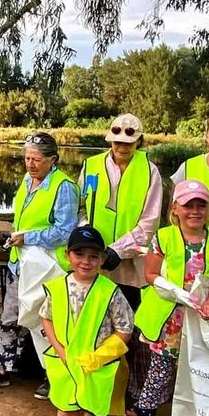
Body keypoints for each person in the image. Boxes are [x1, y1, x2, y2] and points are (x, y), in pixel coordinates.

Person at [129, 180, 209, 416]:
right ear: (175, 208)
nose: (194, 211)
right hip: (168, 326)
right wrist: (172, 290)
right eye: (188, 205)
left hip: (200, 325)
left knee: (198, 385)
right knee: (156, 383)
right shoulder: (163, 238)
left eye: (201, 205)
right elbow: (150, 273)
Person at [0, 132, 79, 398]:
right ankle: (4, 368)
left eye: (36, 160)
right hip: (20, 263)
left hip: (49, 267)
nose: (30, 164)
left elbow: (66, 231)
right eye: (27, 158)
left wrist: (28, 237)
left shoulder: (63, 186)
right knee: (10, 317)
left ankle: (53, 374)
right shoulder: (26, 180)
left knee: (46, 321)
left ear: (53, 159)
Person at [38, 226, 134, 416]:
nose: (86, 261)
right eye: (79, 254)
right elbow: (47, 318)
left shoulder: (110, 291)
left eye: (93, 255)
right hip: (66, 367)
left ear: (102, 259)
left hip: (96, 369)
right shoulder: (57, 288)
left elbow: (124, 328)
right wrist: (60, 349)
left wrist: (102, 356)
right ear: (68, 255)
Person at [81, 113, 162, 306]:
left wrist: (119, 250)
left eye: (129, 142)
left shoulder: (150, 172)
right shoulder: (90, 166)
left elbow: (150, 222)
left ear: (139, 141)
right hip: (93, 260)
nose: (122, 147)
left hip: (131, 268)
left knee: (126, 322)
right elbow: (80, 208)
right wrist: (87, 238)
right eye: (117, 142)